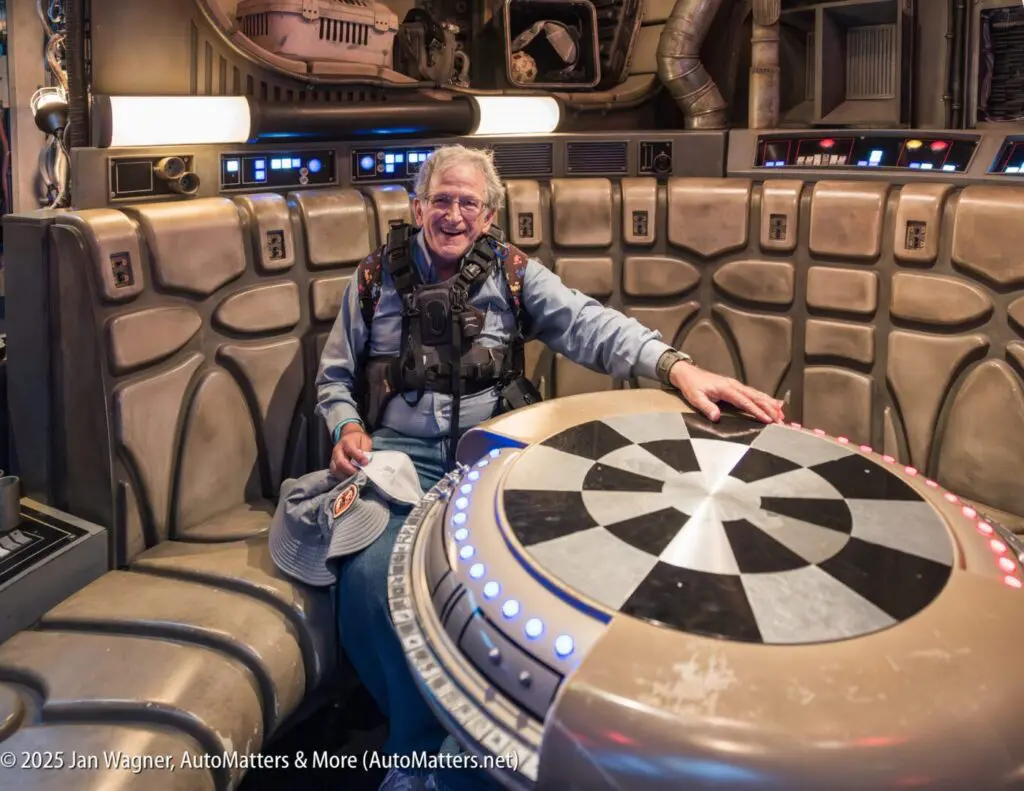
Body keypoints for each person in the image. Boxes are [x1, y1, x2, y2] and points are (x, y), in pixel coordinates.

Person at [315, 144, 785, 791]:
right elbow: (334, 377)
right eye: (441, 200)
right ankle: (418, 753)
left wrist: (677, 366)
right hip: (398, 454)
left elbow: (591, 326)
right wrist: (346, 425)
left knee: (537, 580)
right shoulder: (372, 279)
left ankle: (493, 743)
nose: (453, 215)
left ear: (488, 217)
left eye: (469, 203)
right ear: (418, 208)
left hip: (494, 447)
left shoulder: (512, 273)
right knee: (369, 580)